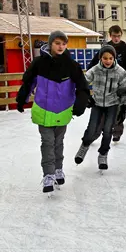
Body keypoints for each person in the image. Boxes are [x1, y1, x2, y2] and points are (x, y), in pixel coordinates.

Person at [16, 31, 89, 194]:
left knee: (58, 142)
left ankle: (58, 169)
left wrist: (81, 104)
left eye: (64, 43)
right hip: (43, 109)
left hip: (62, 111)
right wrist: (22, 99)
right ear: (50, 44)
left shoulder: (72, 65)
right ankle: (48, 174)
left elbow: (82, 87)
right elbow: (28, 83)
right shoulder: (39, 63)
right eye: (57, 43)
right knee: (47, 142)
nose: (61, 46)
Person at [75, 45, 126, 170]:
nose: (108, 61)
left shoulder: (120, 72)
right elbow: (83, 82)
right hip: (97, 104)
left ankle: (103, 154)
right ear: (100, 58)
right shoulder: (95, 70)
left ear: (114, 58)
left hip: (113, 105)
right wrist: (87, 97)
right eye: (105, 58)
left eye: (111, 58)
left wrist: (124, 107)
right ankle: (84, 145)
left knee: (107, 131)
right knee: (91, 128)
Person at [88, 25, 126, 142]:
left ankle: (117, 131)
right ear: (110, 35)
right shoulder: (105, 48)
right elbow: (93, 65)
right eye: (114, 36)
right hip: (105, 85)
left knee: (120, 109)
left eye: (118, 36)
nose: (116, 38)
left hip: (121, 84)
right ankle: (94, 133)